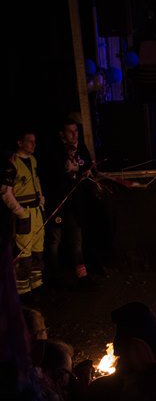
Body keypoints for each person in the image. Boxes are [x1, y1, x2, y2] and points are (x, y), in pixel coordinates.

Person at [39, 118, 95, 289]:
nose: (74, 134)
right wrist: (65, 169)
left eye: (76, 131)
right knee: (55, 240)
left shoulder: (80, 147)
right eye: (70, 131)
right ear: (62, 134)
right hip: (58, 201)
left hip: (75, 203)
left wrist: (78, 169)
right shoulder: (55, 150)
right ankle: (54, 276)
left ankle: (82, 276)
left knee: (77, 239)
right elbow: (52, 172)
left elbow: (87, 163)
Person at [1, 130, 45, 299]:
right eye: (30, 141)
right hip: (24, 213)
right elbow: (5, 192)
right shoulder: (12, 163)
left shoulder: (33, 160)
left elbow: (36, 180)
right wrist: (19, 211)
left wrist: (41, 198)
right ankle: (23, 291)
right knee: (24, 251)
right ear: (20, 142)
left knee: (37, 248)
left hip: (36, 210)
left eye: (35, 141)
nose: (34, 144)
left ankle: (37, 284)